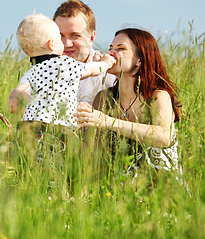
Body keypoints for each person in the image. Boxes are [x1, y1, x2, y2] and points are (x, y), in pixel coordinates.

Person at [74, 28, 182, 177]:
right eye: (110, 48)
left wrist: (108, 122)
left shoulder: (158, 96)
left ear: (139, 59)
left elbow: (164, 137)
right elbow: (92, 155)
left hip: (161, 189)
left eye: (121, 48)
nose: (110, 53)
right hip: (118, 192)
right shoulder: (104, 99)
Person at [8, 0, 117, 114]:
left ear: (91, 38)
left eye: (75, 36)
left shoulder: (111, 73)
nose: (66, 44)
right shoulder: (45, 69)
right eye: (60, 36)